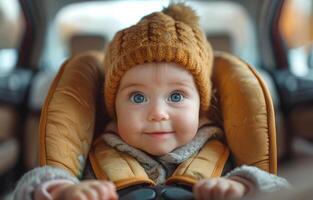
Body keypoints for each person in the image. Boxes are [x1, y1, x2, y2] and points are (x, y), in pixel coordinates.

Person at [13, 3, 289, 200]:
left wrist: (243, 187)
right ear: (114, 108)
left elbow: (282, 189)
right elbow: (30, 187)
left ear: (202, 105)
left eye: (176, 96)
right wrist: (62, 190)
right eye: (138, 97)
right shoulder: (93, 159)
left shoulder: (228, 162)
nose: (158, 113)